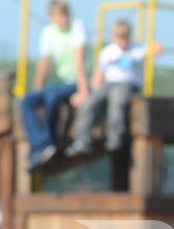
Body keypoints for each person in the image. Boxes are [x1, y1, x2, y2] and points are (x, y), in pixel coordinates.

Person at [68, 19, 159, 158]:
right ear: (113, 38)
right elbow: (99, 75)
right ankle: (82, 139)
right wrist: (90, 92)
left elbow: (156, 48)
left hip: (128, 83)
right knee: (89, 102)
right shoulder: (108, 52)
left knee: (117, 100)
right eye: (119, 38)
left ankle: (115, 135)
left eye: (125, 38)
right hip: (108, 83)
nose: (122, 42)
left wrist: (149, 51)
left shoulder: (136, 49)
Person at [21, 0, 87, 169]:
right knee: (27, 101)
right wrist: (38, 88)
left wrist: (83, 91)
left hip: (76, 81)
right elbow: (44, 63)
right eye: (59, 16)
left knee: (52, 96)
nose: (63, 19)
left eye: (65, 15)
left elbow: (79, 61)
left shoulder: (77, 28)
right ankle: (39, 144)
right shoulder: (48, 32)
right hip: (59, 83)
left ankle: (48, 142)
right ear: (51, 18)